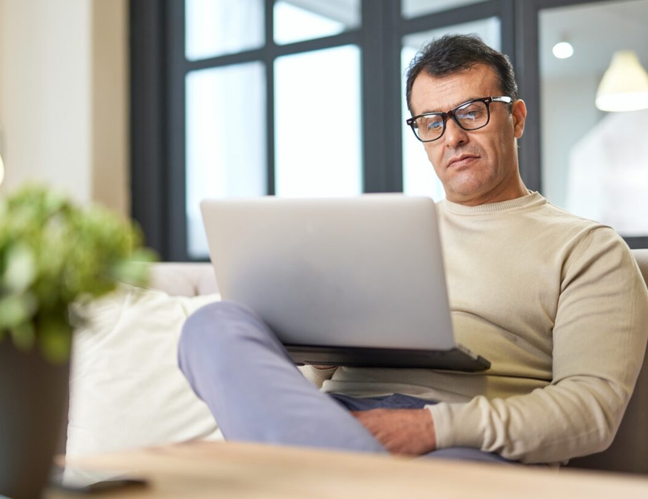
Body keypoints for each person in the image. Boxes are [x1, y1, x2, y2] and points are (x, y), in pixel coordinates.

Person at [177, 34, 648, 465]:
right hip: (339, 419)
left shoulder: (588, 249)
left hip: (461, 442)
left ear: (517, 118)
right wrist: (320, 346)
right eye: (431, 121)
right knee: (211, 325)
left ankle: (307, 470)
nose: (453, 136)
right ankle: (329, 464)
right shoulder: (376, 234)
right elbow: (316, 381)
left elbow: (591, 411)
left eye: (472, 112)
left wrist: (427, 428)